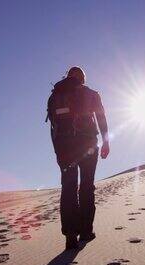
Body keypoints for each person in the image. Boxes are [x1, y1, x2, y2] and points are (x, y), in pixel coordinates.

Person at [46, 66, 110, 250]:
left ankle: (70, 236)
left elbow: (53, 126)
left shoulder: (56, 95)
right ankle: (86, 231)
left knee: (68, 187)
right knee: (87, 186)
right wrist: (106, 141)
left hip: (64, 148)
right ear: (82, 78)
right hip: (87, 144)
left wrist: (59, 151)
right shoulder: (90, 93)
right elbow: (101, 118)